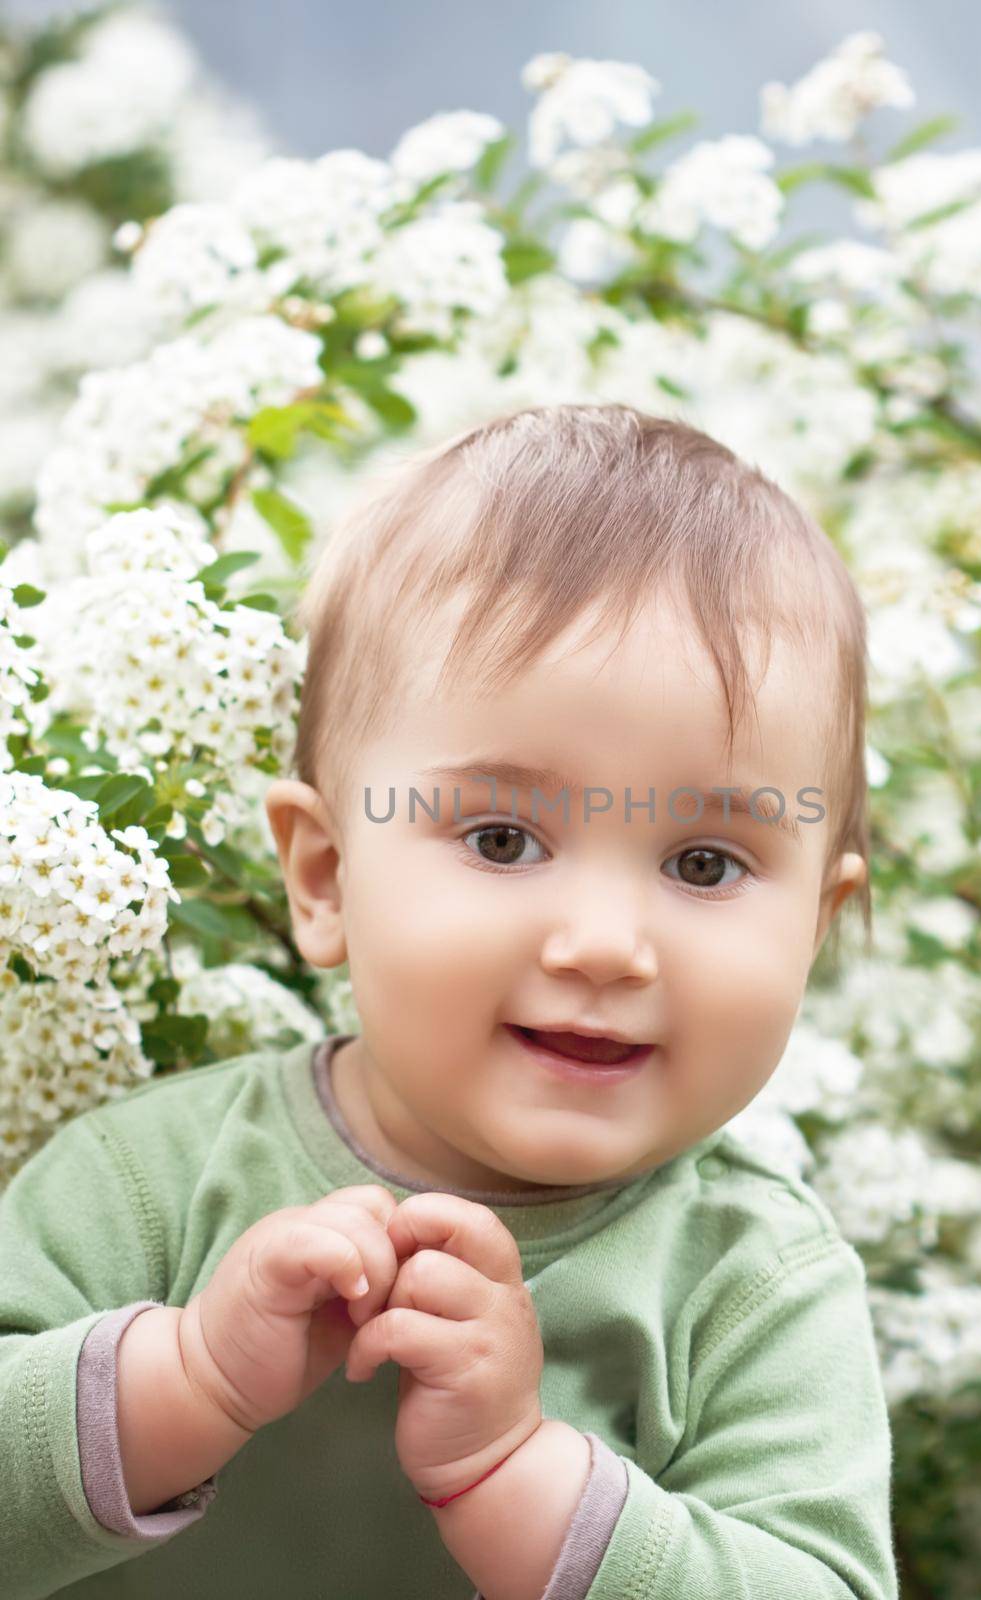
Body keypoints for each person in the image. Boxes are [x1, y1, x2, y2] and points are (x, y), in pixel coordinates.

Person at [0, 403, 898, 1599]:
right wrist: (189, 1378)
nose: (601, 946)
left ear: (814, 929)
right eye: (500, 835)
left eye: (702, 864)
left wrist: (518, 1476)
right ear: (325, 876)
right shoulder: (146, 1180)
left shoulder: (750, 1284)